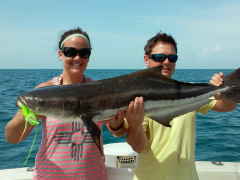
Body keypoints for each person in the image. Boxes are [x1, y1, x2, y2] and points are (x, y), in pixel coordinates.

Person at [5, 27, 120, 180]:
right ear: (60, 54)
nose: (77, 58)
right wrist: (32, 113)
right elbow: (12, 137)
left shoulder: (99, 91)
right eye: (70, 52)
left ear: (89, 57)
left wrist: (117, 123)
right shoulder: (42, 92)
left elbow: (119, 132)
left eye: (84, 53)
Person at [122, 32, 238, 180]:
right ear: (147, 59)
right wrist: (135, 125)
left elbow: (227, 107)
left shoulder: (190, 90)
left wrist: (225, 90)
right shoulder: (136, 99)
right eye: (159, 57)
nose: (166, 61)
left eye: (172, 57)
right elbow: (138, 147)